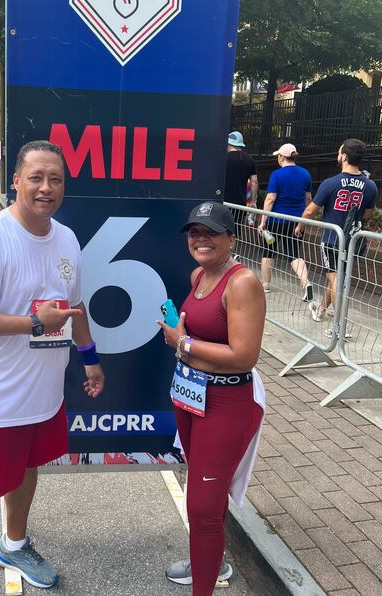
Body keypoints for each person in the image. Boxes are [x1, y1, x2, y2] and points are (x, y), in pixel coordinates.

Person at [0, 140, 105, 596]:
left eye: (55, 179)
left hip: (43, 391)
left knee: (27, 467)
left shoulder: (67, 238)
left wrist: (89, 358)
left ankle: (14, 544)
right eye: (35, 177)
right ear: (14, 180)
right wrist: (34, 322)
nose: (45, 187)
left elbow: (75, 305)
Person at [157, 201, 265, 596]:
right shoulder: (198, 274)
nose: (201, 239)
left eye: (211, 232)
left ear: (231, 239)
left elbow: (244, 355)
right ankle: (209, 561)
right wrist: (181, 333)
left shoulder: (242, 282)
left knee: (201, 507)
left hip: (228, 402)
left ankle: (203, 586)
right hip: (192, 396)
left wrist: (181, 340)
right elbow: (197, 335)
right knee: (208, 495)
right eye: (195, 232)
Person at [297, 138, 377, 324]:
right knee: (337, 278)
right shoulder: (370, 185)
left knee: (335, 279)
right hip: (354, 240)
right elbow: (367, 215)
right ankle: (321, 310)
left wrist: (300, 225)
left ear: (344, 157)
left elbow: (310, 210)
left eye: (339, 152)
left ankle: (340, 326)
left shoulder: (331, 183)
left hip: (332, 239)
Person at [258, 143, 314, 300]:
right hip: (296, 221)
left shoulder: (277, 175)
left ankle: (266, 285)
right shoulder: (305, 174)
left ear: (282, 157)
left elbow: (270, 198)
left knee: (269, 251)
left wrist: (263, 221)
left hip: (275, 221)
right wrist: (304, 220)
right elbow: (308, 198)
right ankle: (306, 283)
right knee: (294, 254)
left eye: (278, 156)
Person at [223, 131, 258, 232]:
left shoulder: (223, 158)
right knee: (235, 230)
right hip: (239, 203)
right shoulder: (249, 160)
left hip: (222, 200)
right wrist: (252, 201)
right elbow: (254, 182)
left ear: (228, 143)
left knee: (221, 229)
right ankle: (232, 247)